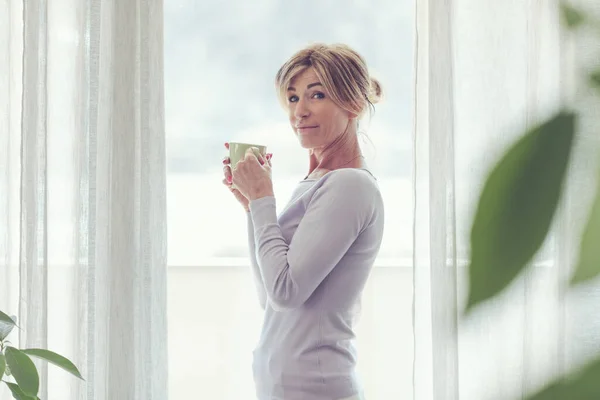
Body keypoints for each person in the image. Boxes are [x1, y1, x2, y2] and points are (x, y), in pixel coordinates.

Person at [221, 43, 385, 400]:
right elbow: (270, 294)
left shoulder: (350, 184)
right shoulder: (316, 184)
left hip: (315, 387)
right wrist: (253, 208)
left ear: (353, 103)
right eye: (293, 98)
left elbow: (286, 293)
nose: (300, 111)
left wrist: (264, 198)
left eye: (317, 95)